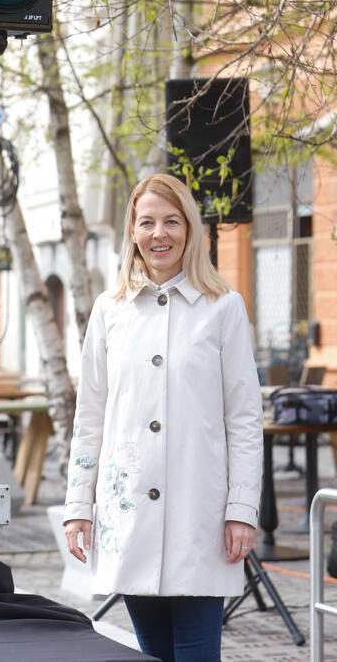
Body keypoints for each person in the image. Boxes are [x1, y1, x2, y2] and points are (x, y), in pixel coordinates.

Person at [64, 173, 263, 662]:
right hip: (128, 512)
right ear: (132, 230)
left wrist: (241, 509)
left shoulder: (224, 308)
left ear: (190, 229)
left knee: (197, 654)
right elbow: (90, 414)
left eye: (172, 221)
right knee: (150, 655)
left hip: (201, 513)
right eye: (148, 221)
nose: (160, 234)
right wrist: (77, 505)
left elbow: (244, 418)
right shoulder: (109, 311)